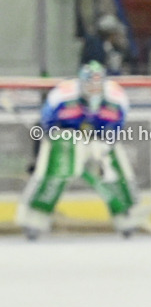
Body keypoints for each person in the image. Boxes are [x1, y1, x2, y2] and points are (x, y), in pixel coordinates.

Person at [15, 61, 140, 239]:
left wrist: (103, 146)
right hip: (66, 139)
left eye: (98, 84)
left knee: (114, 169)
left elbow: (116, 129)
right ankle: (34, 218)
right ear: (81, 82)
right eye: (89, 83)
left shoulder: (116, 98)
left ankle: (126, 216)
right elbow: (45, 127)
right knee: (56, 172)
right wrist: (39, 157)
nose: (93, 88)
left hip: (98, 140)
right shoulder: (62, 96)